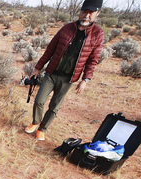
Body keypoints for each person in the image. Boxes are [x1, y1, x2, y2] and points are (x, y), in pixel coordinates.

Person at [25, 0, 104, 142]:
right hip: (52, 73)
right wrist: (38, 68)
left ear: (97, 14)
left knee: (54, 106)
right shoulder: (67, 28)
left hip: (69, 78)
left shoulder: (97, 34)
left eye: (91, 13)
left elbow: (93, 59)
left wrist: (85, 80)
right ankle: (36, 121)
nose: (86, 15)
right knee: (39, 100)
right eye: (84, 12)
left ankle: (42, 129)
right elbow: (50, 49)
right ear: (80, 12)